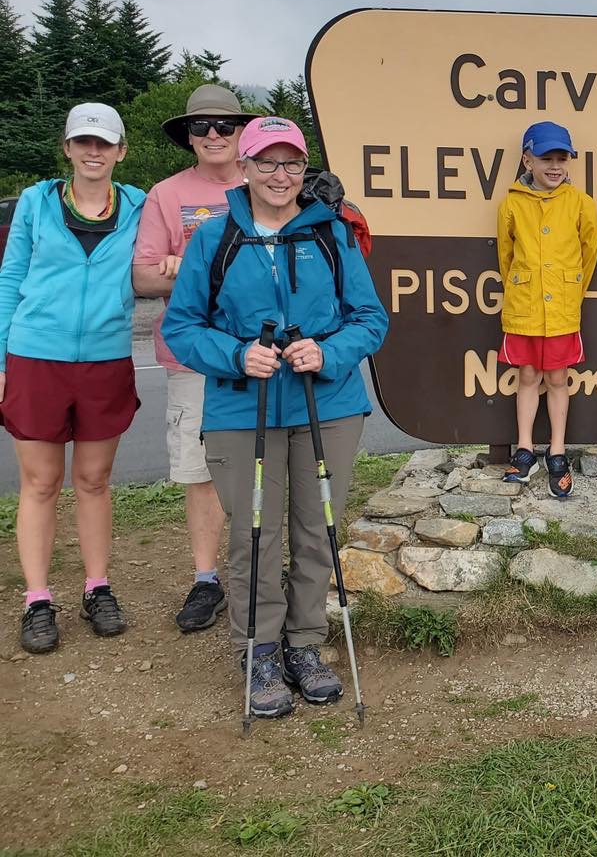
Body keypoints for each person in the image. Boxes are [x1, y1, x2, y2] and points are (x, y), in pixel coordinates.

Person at [162, 116, 388, 720]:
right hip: (243, 407)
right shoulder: (215, 238)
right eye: (267, 162)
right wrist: (236, 353)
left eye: (291, 163)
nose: (280, 175)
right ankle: (260, 649)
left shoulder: (331, 235)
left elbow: (370, 319)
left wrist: (328, 351)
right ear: (245, 167)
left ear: (303, 169)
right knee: (253, 534)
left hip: (328, 406)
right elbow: (181, 327)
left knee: (317, 531)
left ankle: (305, 645)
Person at [0, 104, 146, 654]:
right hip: (35, 355)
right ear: (67, 148)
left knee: (93, 479)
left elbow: (167, 252)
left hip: (105, 358)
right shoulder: (37, 203)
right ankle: (38, 599)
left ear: (120, 151)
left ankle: (97, 587)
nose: (93, 151)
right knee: (40, 483)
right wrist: (0, 361)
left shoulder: (138, 205)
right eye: (83, 141)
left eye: (103, 143)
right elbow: (11, 278)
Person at [134, 84, 259, 633]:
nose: (213, 135)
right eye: (201, 127)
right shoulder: (165, 194)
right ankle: (207, 580)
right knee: (200, 471)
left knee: (262, 465)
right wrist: (212, 271)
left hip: (262, 356)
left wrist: (183, 264)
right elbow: (141, 276)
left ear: (241, 133)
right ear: (188, 136)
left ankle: (257, 571)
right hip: (192, 360)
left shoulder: (267, 183)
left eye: (224, 126)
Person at [496, 121, 597, 499]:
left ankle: (557, 451)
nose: (554, 166)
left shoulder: (580, 203)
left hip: (562, 311)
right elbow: (505, 257)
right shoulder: (511, 203)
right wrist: (524, 288)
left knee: (558, 379)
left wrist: (569, 290)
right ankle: (525, 450)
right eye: (545, 158)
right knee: (527, 376)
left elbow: (590, 253)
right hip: (524, 308)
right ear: (527, 158)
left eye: (561, 158)